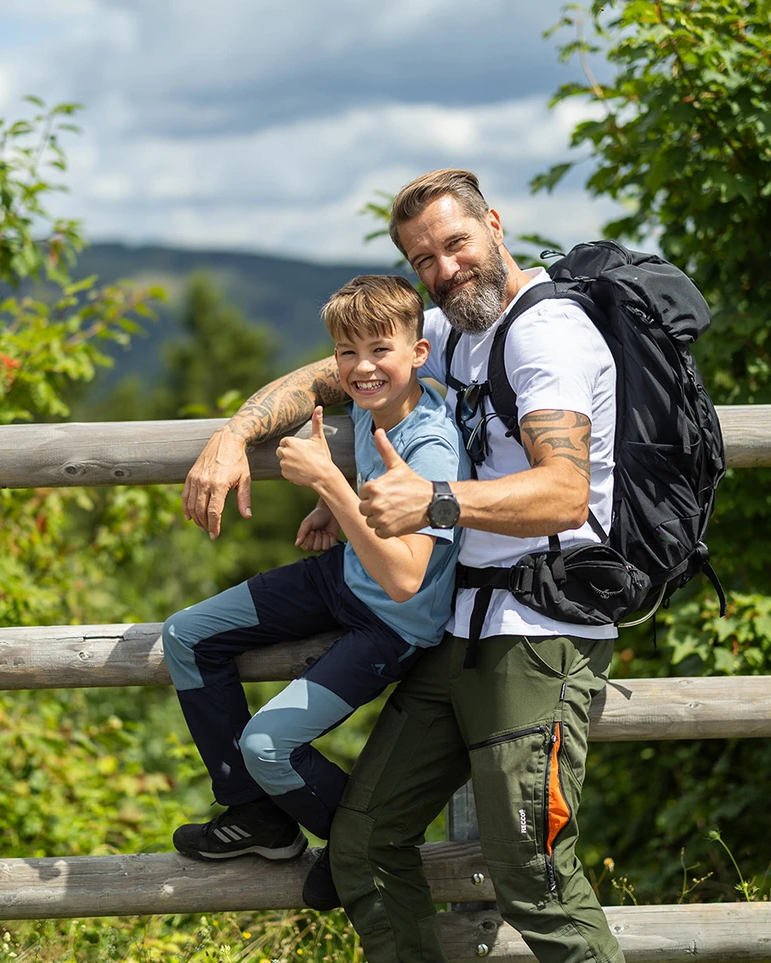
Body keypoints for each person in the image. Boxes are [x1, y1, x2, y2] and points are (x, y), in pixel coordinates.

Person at [181, 169, 626, 963]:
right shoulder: (452, 328)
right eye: (425, 259)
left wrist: (427, 501)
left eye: (456, 243)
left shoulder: (545, 336)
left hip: (537, 631)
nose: (445, 268)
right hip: (458, 627)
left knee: (531, 875)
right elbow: (329, 372)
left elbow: (565, 492)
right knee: (363, 845)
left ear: (494, 224)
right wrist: (232, 434)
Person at [162, 274, 464, 911]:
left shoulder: (432, 445)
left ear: (419, 352)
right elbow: (351, 459)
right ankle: (256, 815)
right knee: (186, 635)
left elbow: (405, 580)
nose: (362, 368)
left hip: (394, 622)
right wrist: (330, 502)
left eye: (379, 350)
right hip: (344, 574)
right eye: (348, 353)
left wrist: (330, 486)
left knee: (267, 744)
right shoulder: (373, 401)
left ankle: (361, 844)